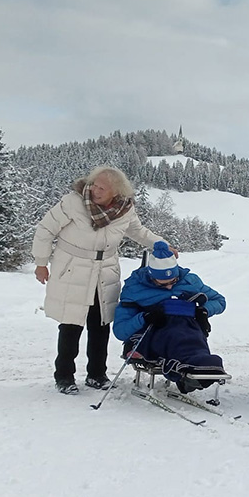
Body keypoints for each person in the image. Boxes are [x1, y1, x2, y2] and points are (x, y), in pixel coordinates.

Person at [32, 166, 172, 395]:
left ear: (115, 193)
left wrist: (162, 244)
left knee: (100, 325)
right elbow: (45, 230)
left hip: (105, 271)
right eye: (94, 185)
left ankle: (97, 374)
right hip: (73, 269)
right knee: (71, 325)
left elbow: (138, 231)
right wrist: (40, 262)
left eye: (101, 188)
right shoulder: (73, 202)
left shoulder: (125, 210)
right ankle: (64, 376)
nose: (94, 190)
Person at [113, 241, 227, 393]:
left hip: (187, 326)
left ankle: (198, 363)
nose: (169, 287)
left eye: (173, 281)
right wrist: (145, 317)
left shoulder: (189, 281)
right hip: (153, 332)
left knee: (191, 333)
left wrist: (203, 311)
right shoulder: (135, 288)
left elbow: (219, 301)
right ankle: (186, 366)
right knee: (173, 334)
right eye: (163, 284)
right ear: (151, 277)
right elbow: (120, 331)